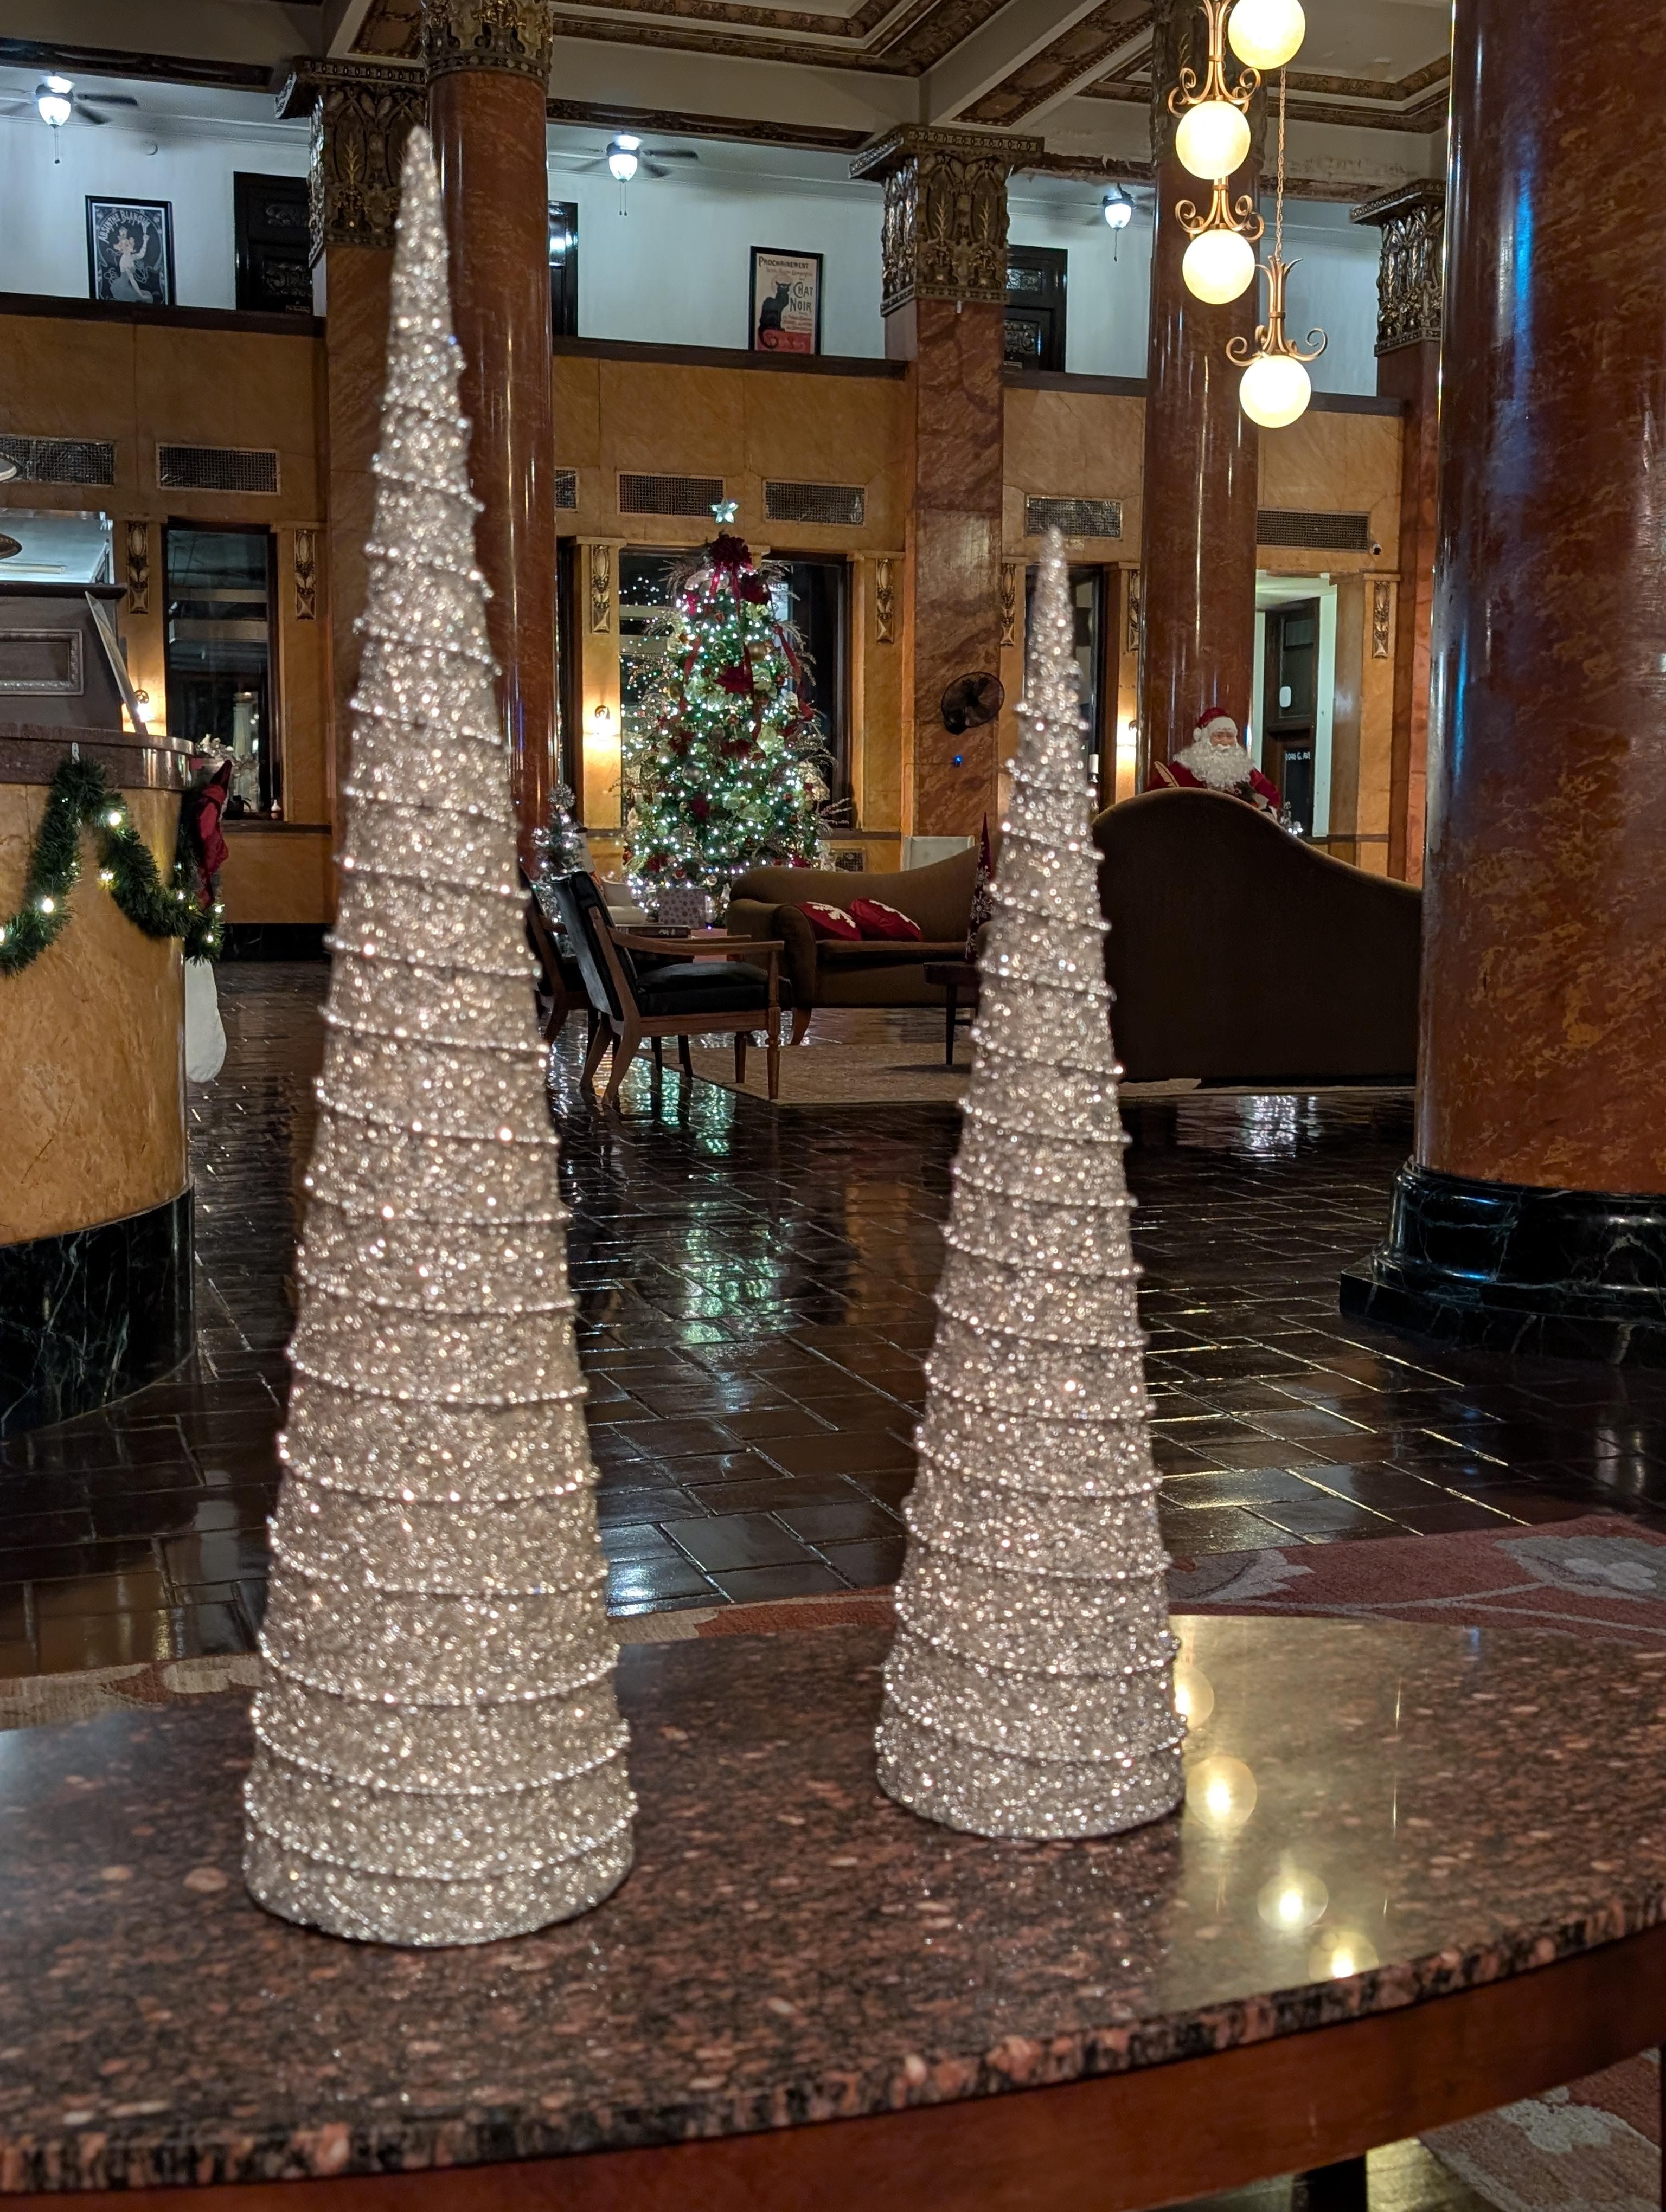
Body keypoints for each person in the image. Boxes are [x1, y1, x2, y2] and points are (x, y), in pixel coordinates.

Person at [1146, 707, 1281, 814]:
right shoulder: (1179, 772)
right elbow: (1149, 804)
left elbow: (1272, 799)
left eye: (1230, 736)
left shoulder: (1244, 770)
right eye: (1219, 736)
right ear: (1204, 738)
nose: (1225, 741)